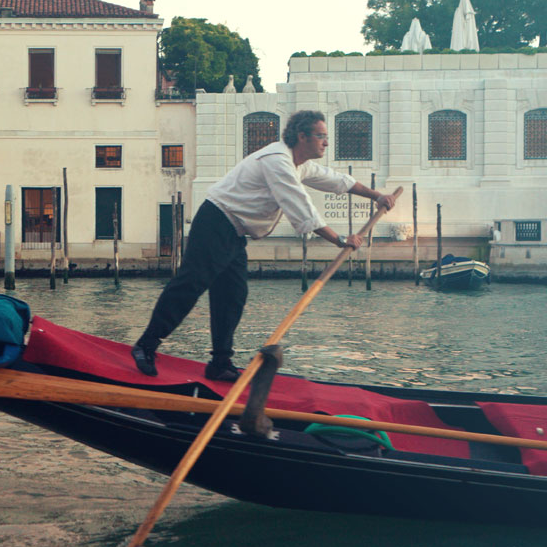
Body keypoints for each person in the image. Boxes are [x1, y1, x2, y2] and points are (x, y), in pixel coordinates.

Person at [131, 110, 397, 381]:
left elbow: (338, 181)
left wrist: (378, 196)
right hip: (215, 222)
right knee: (190, 285)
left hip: (233, 232)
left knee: (233, 295)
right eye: (321, 136)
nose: (326, 143)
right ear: (302, 136)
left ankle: (220, 363)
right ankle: (145, 345)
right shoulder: (278, 161)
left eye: (326, 137)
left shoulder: (299, 164)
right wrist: (340, 239)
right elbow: (300, 206)